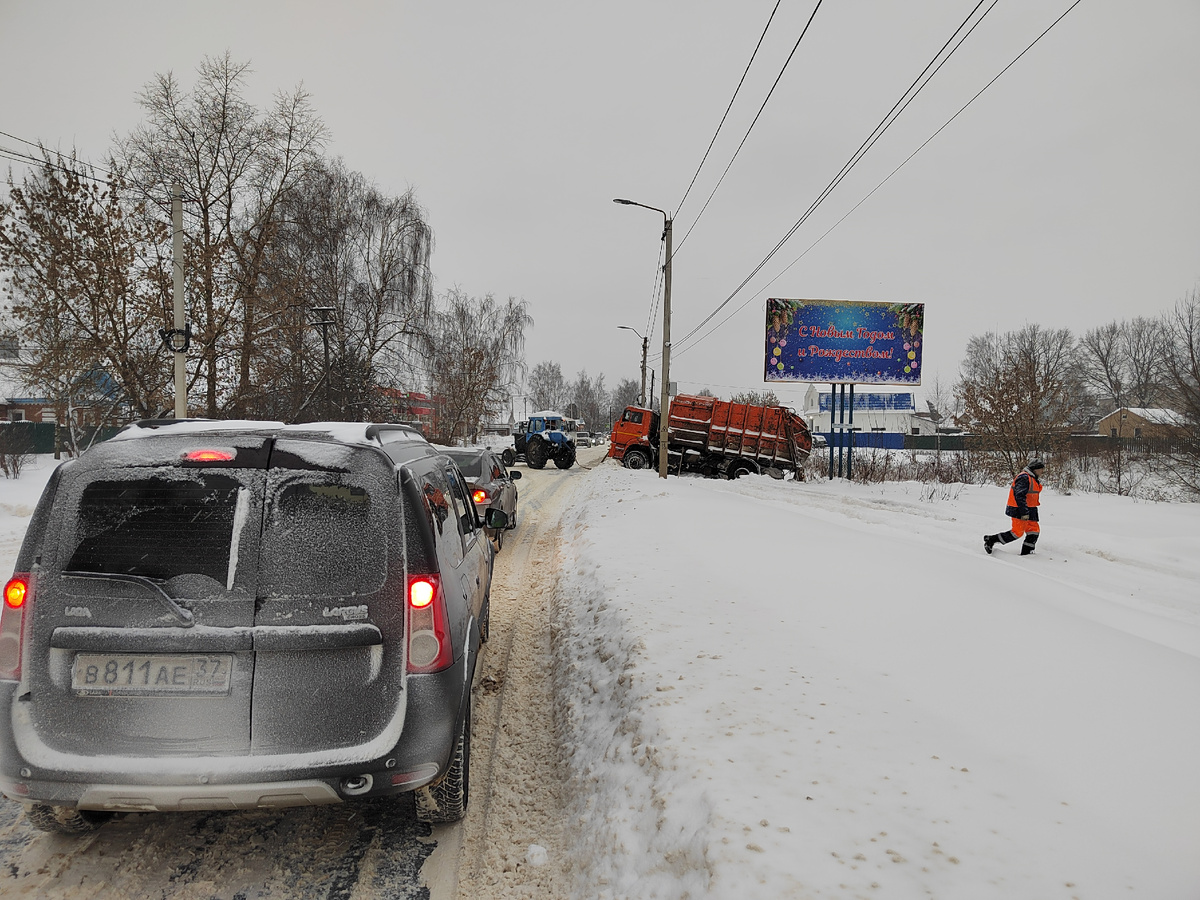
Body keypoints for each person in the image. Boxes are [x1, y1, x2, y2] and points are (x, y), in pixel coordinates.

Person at [984, 459, 1045, 556]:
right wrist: (1024, 512)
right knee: (1017, 532)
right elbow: (1019, 496)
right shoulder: (1024, 478)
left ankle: (1027, 554)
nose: (1042, 471)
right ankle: (991, 540)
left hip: (1030, 508)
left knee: (1033, 531)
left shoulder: (1032, 478)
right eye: (1041, 469)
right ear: (1035, 469)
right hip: (1019, 509)